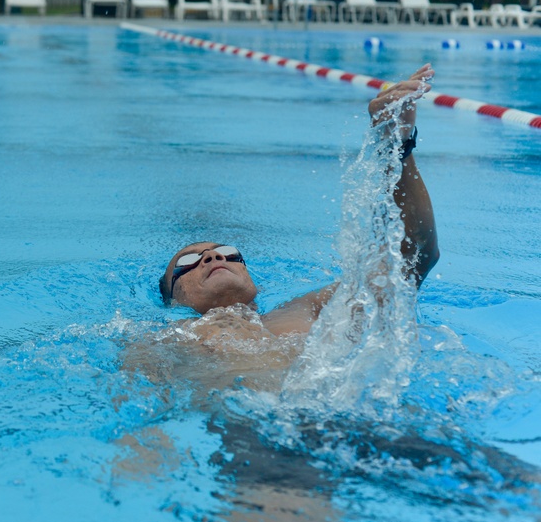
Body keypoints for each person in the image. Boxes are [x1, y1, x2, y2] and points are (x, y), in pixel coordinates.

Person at [159, 63, 439, 340]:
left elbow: (411, 259)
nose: (214, 256)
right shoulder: (163, 342)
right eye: (190, 261)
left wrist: (395, 146)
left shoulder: (312, 310)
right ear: (172, 299)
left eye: (229, 252)